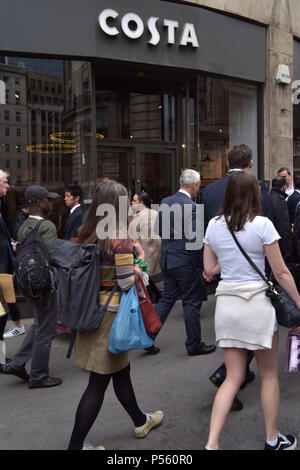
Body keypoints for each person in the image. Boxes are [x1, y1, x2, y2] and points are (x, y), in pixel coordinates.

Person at [203, 171, 299, 450]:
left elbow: (209, 269)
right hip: (257, 306)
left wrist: (229, 262)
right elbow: (280, 272)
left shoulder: (214, 225)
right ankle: (272, 439)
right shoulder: (263, 225)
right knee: (269, 376)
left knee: (233, 378)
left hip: (227, 307)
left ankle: (211, 444)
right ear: (253, 194)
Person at [67, 179, 163, 451]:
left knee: (121, 372)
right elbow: (125, 282)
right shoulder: (119, 236)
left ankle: (140, 420)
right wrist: (140, 262)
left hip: (92, 310)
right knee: (97, 384)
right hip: (111, 318)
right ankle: (75, 446)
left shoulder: (86, 230)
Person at [203, 144, 272, 410]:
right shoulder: (259, 189)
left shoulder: (209, 190)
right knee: (259, 334)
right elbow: (269, 225)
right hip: (255, 280)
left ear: (226, 162)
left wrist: (212, 264)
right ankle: (229, 375)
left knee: (234, 336)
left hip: (226, 279)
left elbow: (207, 232)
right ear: (251, 164)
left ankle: (230, 376)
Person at [148, 169, 216, 357]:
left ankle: (149, 337)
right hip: (185, 262)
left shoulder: (165, 202)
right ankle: (194, 344)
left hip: (168, 259)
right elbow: (195, 242)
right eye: (198, 185)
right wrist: (199, 266)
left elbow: (159, 230)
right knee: (191, 302)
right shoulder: (192, 207)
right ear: (194, 186)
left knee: (167, 299)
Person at [1, 185, 62, 389]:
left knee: (38, 324)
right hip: (45, 285)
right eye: (47, 199)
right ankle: (39, 375)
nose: (50, 202)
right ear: (38, 202)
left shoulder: (24, 226)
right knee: (47, 329)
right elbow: (52, 258)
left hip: (29, 284)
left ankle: (18, 364)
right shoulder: (48, 226)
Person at [130, 191, 162, 304]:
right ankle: (158, 297)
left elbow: (132, 237)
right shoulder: (155, 213)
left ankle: (153, 299)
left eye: (134, 201)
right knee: (148, 277)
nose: (132, 203)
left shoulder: (136, 218)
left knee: (144, 277)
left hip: (143, 250)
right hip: (156, 249)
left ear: (142, 203)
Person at [269, 176, 292, 261]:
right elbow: (284, 224)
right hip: (279, 243)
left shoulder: (268, 197)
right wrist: (287, 248)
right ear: (284, 187)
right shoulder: (280, 200)